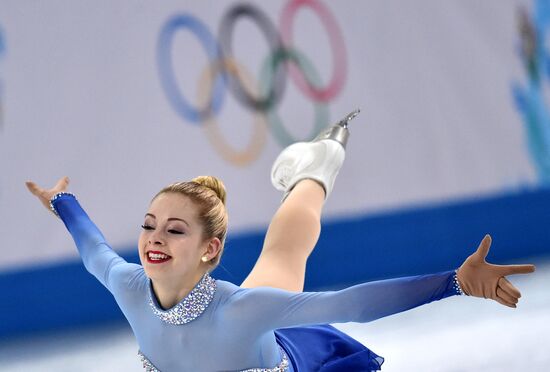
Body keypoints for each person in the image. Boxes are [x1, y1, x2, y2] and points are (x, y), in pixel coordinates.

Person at [26, 122, 535, 371]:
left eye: (175, 230)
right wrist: (63, 201)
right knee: (281, 255)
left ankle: (318, 167)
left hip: (284, 351)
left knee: (285, 254)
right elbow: (96, 252)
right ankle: (315, 166)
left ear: (210, 250)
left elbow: (351, 305)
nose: (155, 238)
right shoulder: (130, 287)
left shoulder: (241, 311)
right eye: (149, 225)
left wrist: (453, 282)